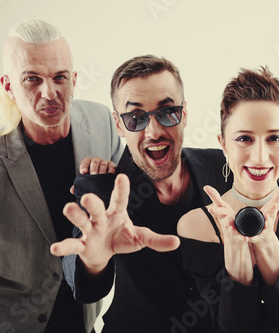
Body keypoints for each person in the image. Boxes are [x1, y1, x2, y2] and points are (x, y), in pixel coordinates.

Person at [0, 19, 123, 333]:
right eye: (32, 79)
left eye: (59, 77)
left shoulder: (102, 122)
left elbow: (128, 203)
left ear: (74, 79)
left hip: (85, 324)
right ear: (9, 86)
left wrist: (110, 181)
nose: (49, 92)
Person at [50, 55, 232, 332]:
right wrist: (94, 261)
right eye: (135, 118)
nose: (154, 131)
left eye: (167, 111)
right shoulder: (102, 189)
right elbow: (85, 288)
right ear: (119, 125)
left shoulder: (223, 167)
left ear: (184, 114)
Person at [177, 67, 279, 332]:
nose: (260, 156)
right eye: (244, 138)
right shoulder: (195, 225)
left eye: (275, 138)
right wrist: (236, 255)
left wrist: (267, 248)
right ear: (224, 144)